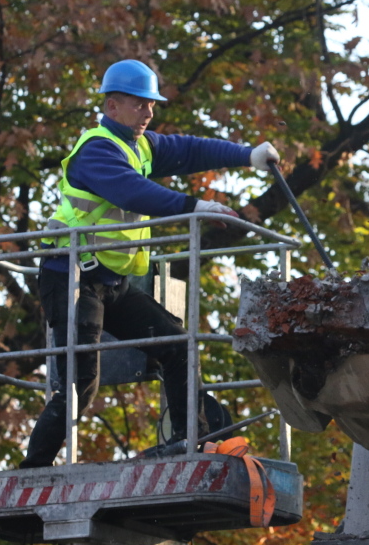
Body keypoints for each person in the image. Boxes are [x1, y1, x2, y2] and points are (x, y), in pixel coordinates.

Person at [20, 59, 280, 468]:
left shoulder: (139, 146)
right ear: (112, 107)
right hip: (69, 277)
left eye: (152, 105)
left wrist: (248, 155)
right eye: (140, 104)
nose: (149, 113)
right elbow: (131, 192)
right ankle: (32, 469)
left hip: (110, 282)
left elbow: (189, 149)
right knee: (79, 387)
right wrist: (194, 205)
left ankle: (186, 439)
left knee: (176, 345)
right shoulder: (96, 150)